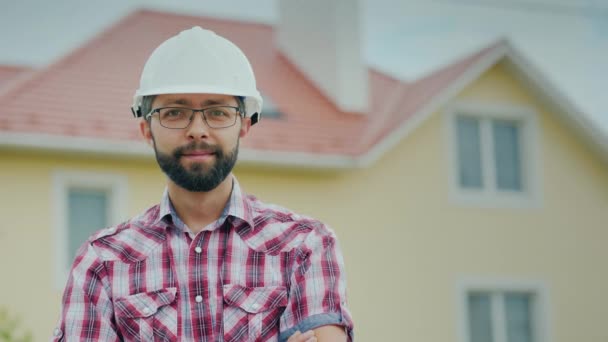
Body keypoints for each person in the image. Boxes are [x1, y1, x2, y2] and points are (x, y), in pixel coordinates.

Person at [52, 26, 353, 341]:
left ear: (244, 125)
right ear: (146, 129)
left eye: (217, 112)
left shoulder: (305, 246)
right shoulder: (102, 260)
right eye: (175, 113)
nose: (197, 129)